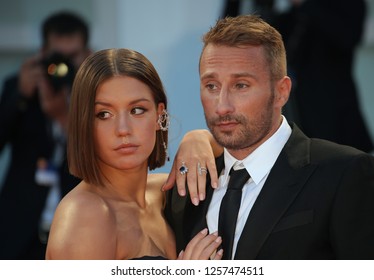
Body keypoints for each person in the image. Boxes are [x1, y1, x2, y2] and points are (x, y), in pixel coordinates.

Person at [164, 14, 374, 259]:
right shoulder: (184, 191)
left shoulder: (344, 173)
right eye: (211, 86)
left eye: (241, 85)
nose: (222, 106)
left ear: (281, 92)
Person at [45, 48, 223, 260]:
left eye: (137, 110)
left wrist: (198, 138)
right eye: (104, 114)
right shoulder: (85, 213)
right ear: (85, 124)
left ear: (159, 115)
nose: (123, 129)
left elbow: (242, 150)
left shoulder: (163, 192)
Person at [0, 11, 91, 259]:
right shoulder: (21, 87)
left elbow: (97, 165)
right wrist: (19, 95)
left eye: (71, 57)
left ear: (87, 54)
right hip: (19, 233)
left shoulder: (97, 97)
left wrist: (63, 118)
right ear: (42, 54)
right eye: (56, 57)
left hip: (75, 234)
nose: (63, 67)